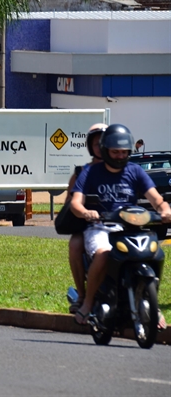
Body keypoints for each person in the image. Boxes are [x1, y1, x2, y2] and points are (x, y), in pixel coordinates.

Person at [70, 124, 171, 329]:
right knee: (104, 253)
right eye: (115, 152)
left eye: (123, 152)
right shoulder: (90, 172)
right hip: (100, 227)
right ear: (106, 150)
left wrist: (164, 210)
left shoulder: (135, 171)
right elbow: (75, 202)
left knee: (155, 253)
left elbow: (156, 199)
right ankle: (88, 302)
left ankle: (153, 305)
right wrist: (86, 212)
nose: (119, 156)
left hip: (130, 227)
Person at [65, 123, 107, 314]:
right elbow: (70, 203)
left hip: (119, 224)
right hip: (88, 226)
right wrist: (83, 211)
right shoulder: (82, 173)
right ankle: (82, 295)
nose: (101, 147)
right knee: (75, 244)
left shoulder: (125, 170)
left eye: (105, 143)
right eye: (97, 144)